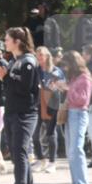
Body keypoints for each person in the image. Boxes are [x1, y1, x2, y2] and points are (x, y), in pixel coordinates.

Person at [0, 28, 40, 184]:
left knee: (20, 150)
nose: (4, 42)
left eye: (7, 39)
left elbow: (25, 88)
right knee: (16, 152)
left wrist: (5, 78)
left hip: (25, 113)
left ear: (17, 41)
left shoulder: (28, 61)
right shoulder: (14, 61)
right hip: (12, 111)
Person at [53, 51, 92, 184]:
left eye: (67, 64)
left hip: (79, 113)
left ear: (73, 63)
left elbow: (83, 100)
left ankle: (83, 183)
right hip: (71, 113)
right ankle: (76, 182)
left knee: (76, 148)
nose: (65, 68)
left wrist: (68, 89)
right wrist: (62, 87)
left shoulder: (84, 78)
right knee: (71, 150)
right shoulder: (75, 78)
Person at [34, 46, 62, 174]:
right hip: (37, 104)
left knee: (51, 134)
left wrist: (54, 86)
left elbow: (62, 86)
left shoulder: (55, 70)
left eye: (41, 56)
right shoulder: (35, 70)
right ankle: (40, 159)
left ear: (47, 56)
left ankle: (52, 162)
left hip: (51, 104)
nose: (39, 58)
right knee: (34, 135)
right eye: (37, 56)